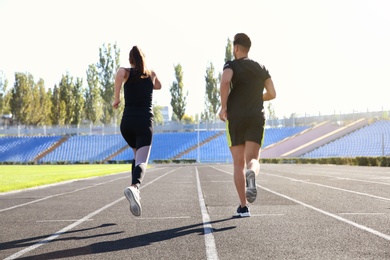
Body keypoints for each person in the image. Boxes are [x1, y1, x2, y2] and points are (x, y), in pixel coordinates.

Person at [218, 33, 276, 218]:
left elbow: (225, 81)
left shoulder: (231, 64)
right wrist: (256, 97)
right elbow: (272, 93)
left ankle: (243, 207)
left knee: (237, 163)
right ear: (248, 48)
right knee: (253, 160)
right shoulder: (260, 67)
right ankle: (252, 172)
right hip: (255, 117)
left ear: (236, 48)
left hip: (236, 117)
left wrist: (223, 107)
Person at [113, 45, 162, 217]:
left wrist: (116, 98)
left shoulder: (124, 72)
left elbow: (119, 74)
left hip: (126, 124)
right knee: (142, 160)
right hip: (144, 123)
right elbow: (159, 86)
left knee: (136, 155)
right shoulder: (151, 74)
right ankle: (134, 187)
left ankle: (135, 189)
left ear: (130, 60)